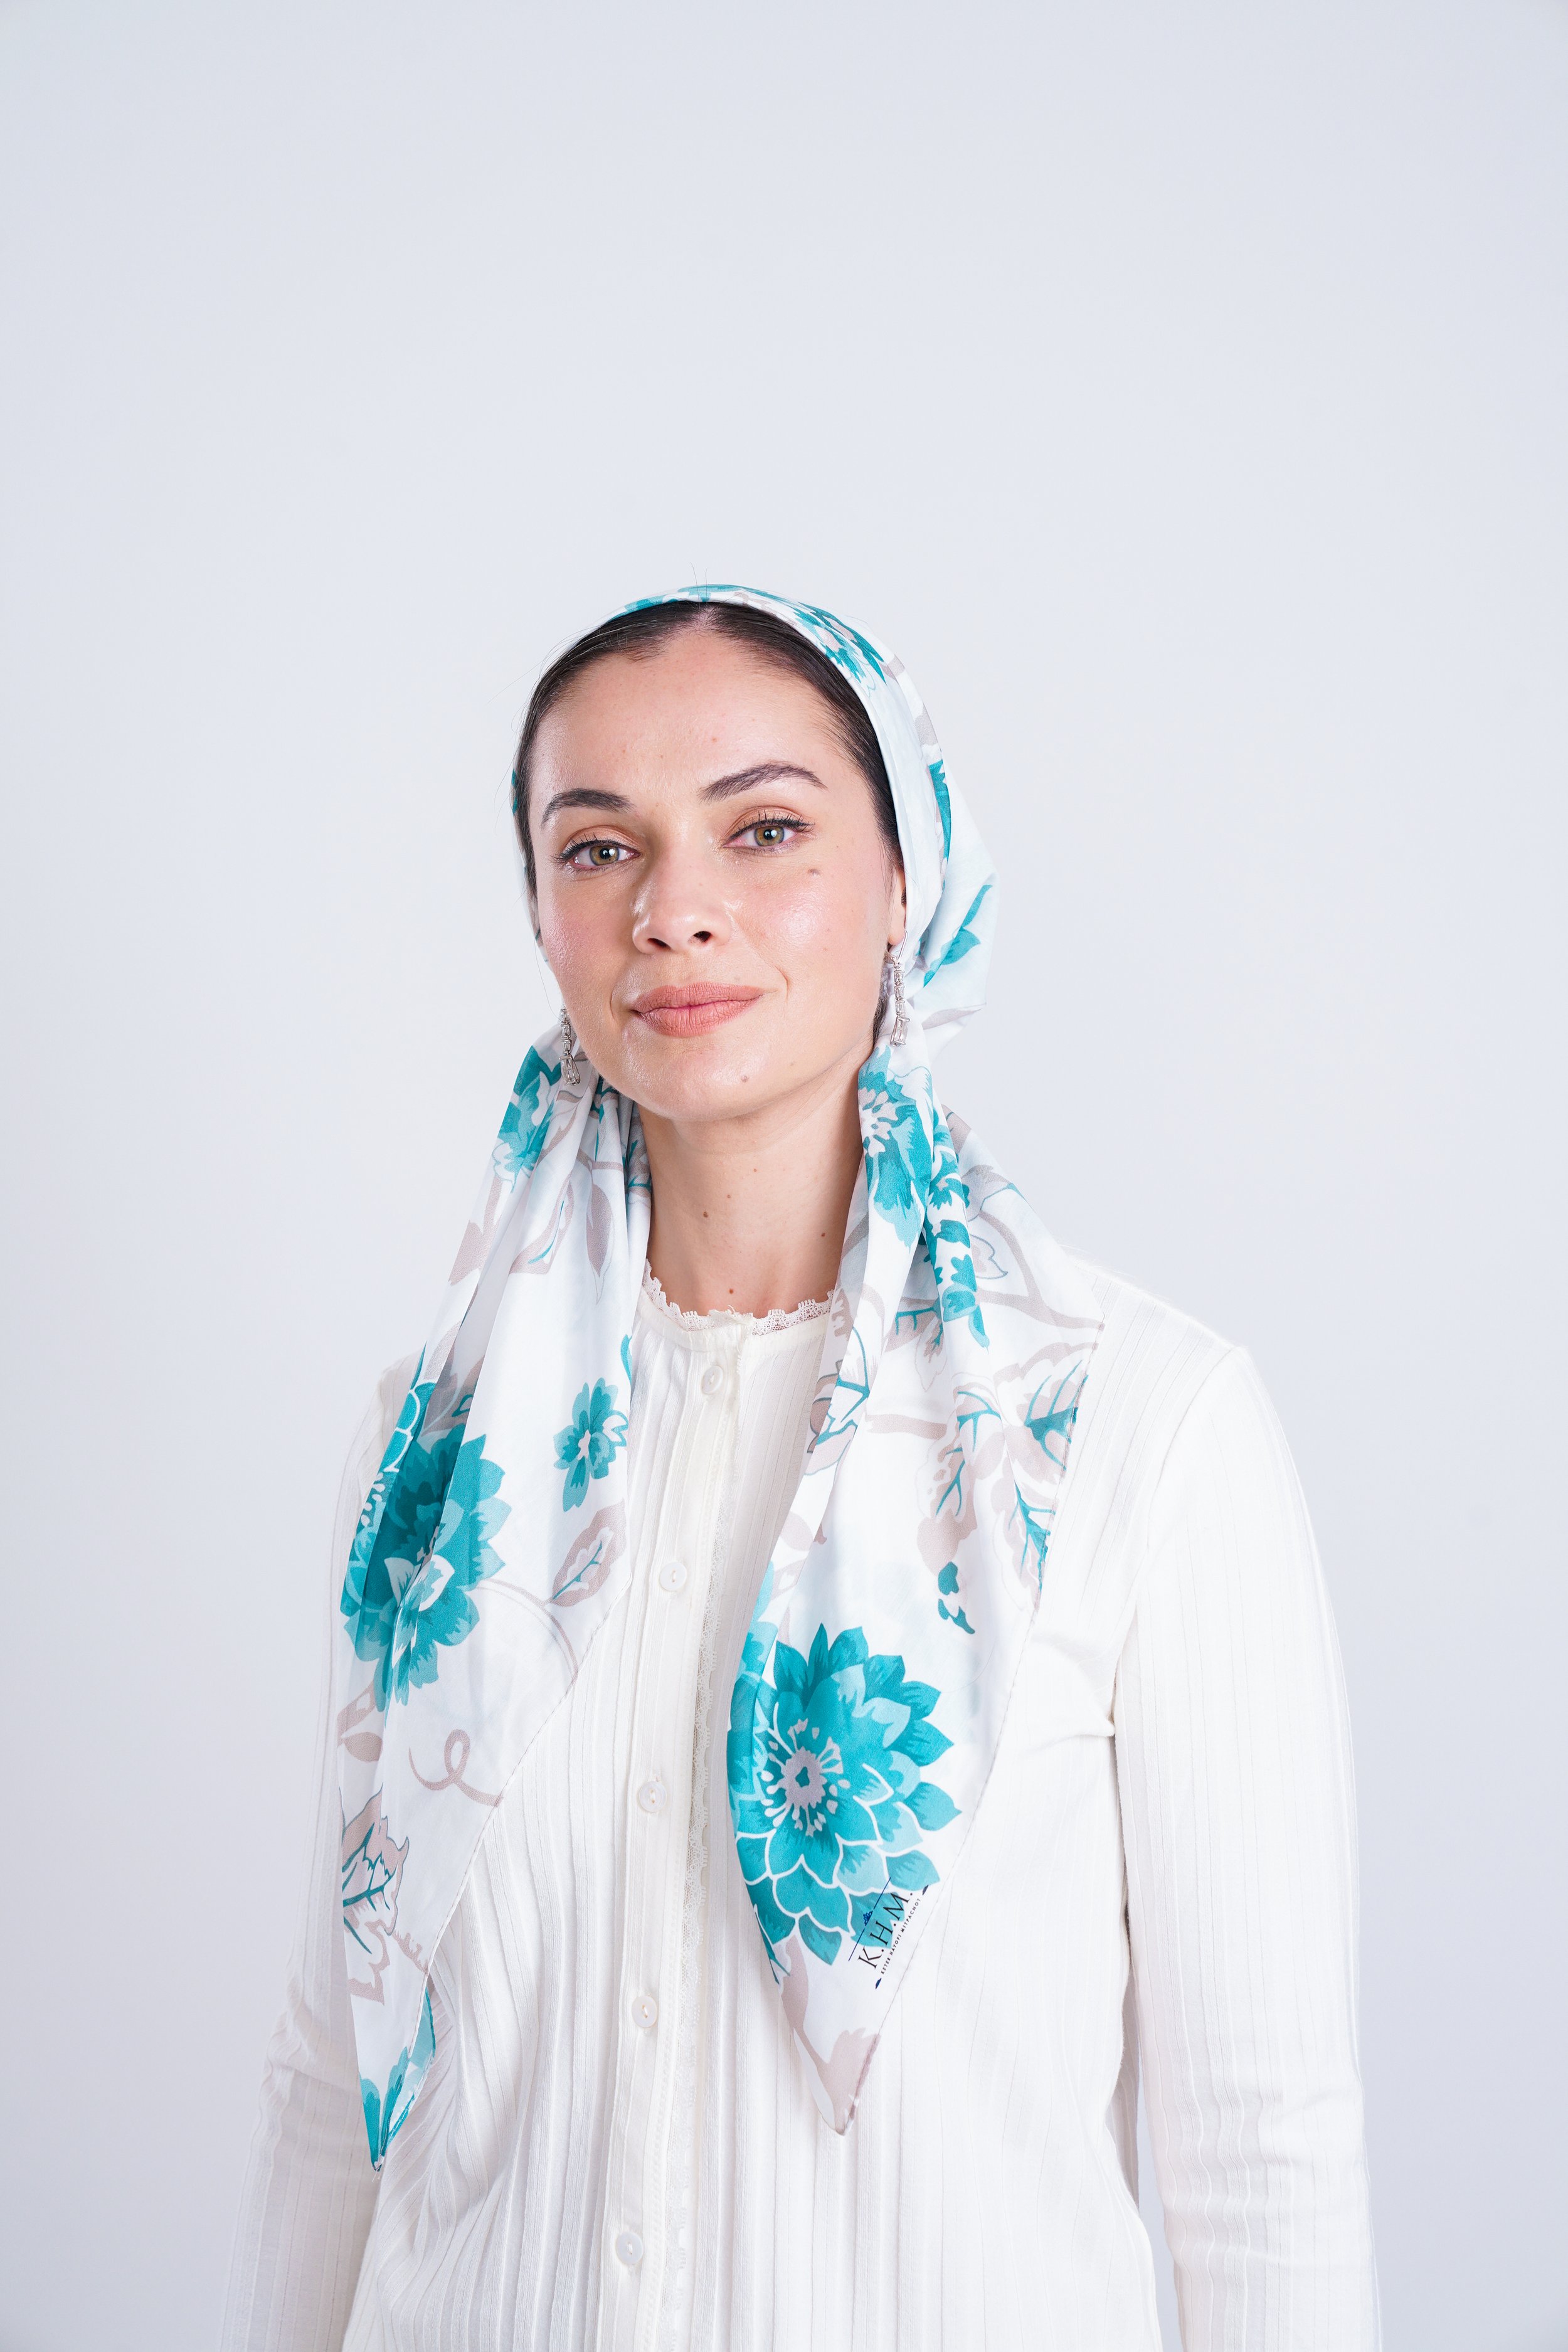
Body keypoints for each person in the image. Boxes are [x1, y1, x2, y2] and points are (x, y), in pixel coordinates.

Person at [223, 586, 1379, 2351]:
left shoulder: (1142, 1434)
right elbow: (336, 2084)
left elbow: (1256, 2158)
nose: (674, 910)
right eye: (597, 846)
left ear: (908, 877)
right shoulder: (433, 1448)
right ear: (541, 913)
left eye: (764, 830)